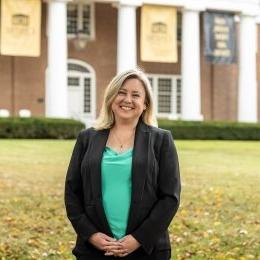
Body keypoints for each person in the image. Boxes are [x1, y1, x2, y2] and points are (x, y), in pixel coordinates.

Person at [64, 68, 181, 260]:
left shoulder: (161, 140)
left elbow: (170, 197)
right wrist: (91, 235)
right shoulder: (87, 138)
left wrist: (138, 238)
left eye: (136, 95)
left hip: (146, 250)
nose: (128, 99)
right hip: (95, 250)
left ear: (145, 104)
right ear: (111, 98)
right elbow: (72, 193)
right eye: (121, 92)